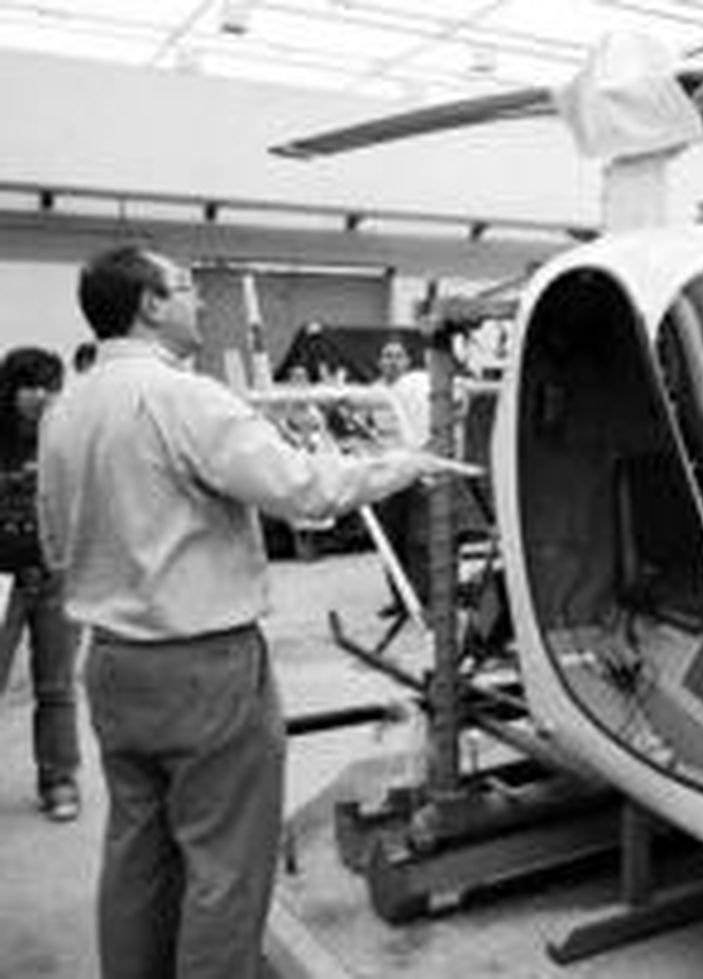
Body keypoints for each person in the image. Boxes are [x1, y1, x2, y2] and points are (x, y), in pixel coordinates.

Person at [36, 245, 464, 979]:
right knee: (225, 867)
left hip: (111, 662)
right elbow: (303, 489)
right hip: (203, 668)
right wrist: (406, 464)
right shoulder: (185, 398)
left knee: (137, 850)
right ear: (149, 304)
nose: (200, 300)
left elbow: (54, 543)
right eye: (184, 287)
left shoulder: (66, 408)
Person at [0, 346, 83, 822]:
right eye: (28, 386)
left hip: (56, 578)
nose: (39, 396)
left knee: (56, 686)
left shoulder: (66, 442)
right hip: (4, 581)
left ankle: (58, 778)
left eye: (49, 387)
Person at [374, 336, 432, 618]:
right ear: (379, 362)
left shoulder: (421, 388)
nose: (393, 361)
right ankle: (400, 599)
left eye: (398, 356)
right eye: (388, 355)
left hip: (417, 475)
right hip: (387, 478)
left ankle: (424, 597)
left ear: (408, 362)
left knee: (419, 539)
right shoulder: (373, 394)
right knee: (390, 540)